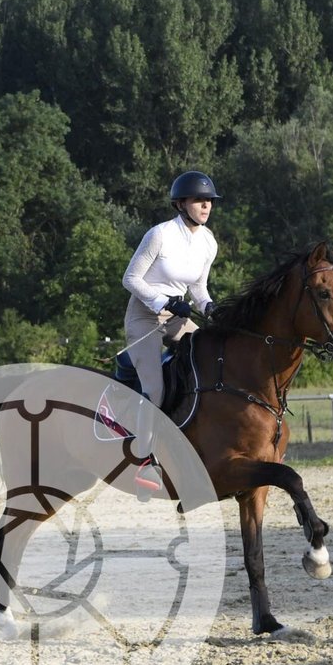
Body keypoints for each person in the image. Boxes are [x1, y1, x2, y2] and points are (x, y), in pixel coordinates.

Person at [120, 170, 220, 492]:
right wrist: (163, 301)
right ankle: (145, 462)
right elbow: (130, 279)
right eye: (199, 200)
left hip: (176, 316)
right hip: (144, 317)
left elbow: (198, 288)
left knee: (211, 358)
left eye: (209, 201)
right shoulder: (159, 235)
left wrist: (209, 306)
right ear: (180, 204)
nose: (206, 206)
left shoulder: (208, 242)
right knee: (155, 389)